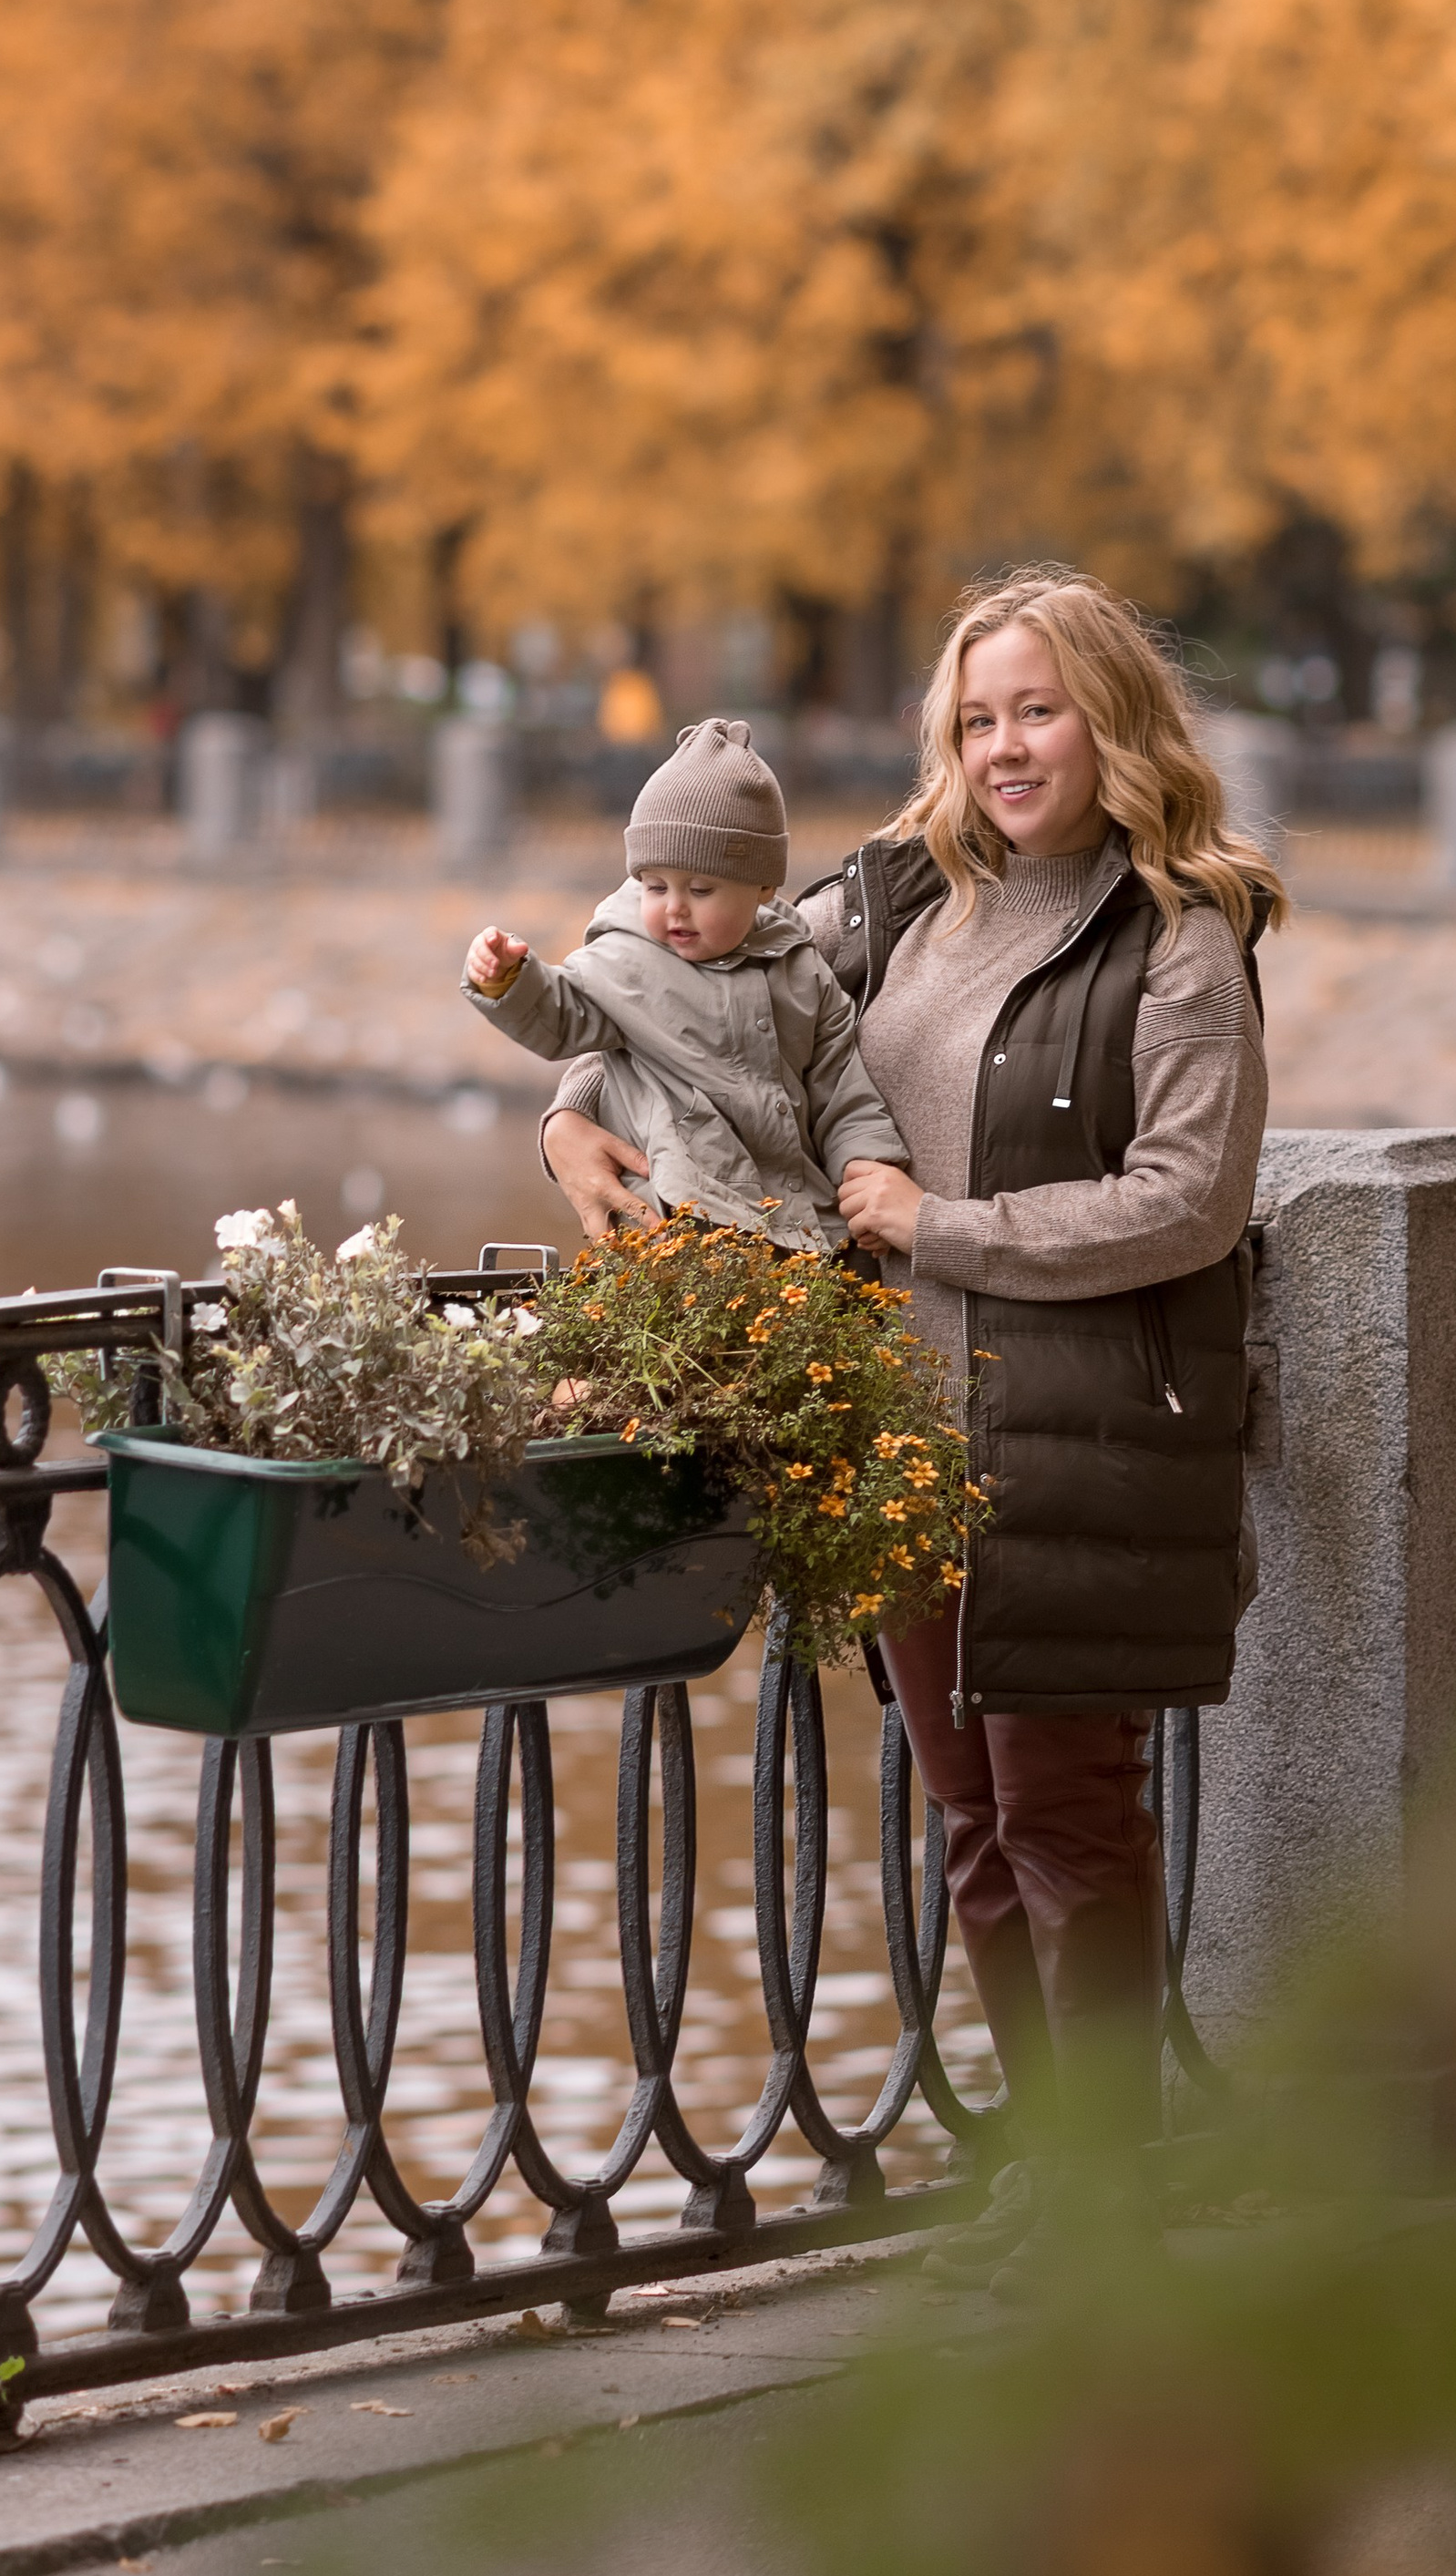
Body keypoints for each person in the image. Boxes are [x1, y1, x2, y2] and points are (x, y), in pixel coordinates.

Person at [538, 574, 1277, 2289]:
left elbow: (1187, 1205)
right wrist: (571, 1127)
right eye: (977, 717)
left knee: (1067, 1819)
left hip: (1071, 1436)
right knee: (970, 1822)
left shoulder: (1179, 938)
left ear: (1111, 720)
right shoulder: (884, 898)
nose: (1005, 747)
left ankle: (1111, 2196)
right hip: (887, 1434)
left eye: (1038, 710)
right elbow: (669, 968)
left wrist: (933, 1223)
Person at [463, 712, 907, 1253]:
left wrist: (864, 1164)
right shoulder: (625, 957)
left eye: (701, 889)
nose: (674, 908)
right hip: (678, 1213)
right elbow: (563, 1014)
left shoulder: (802, 970)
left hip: (792, 1213)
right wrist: (510, 980)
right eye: (653, 885)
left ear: (764, 886)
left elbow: (841, 1088)